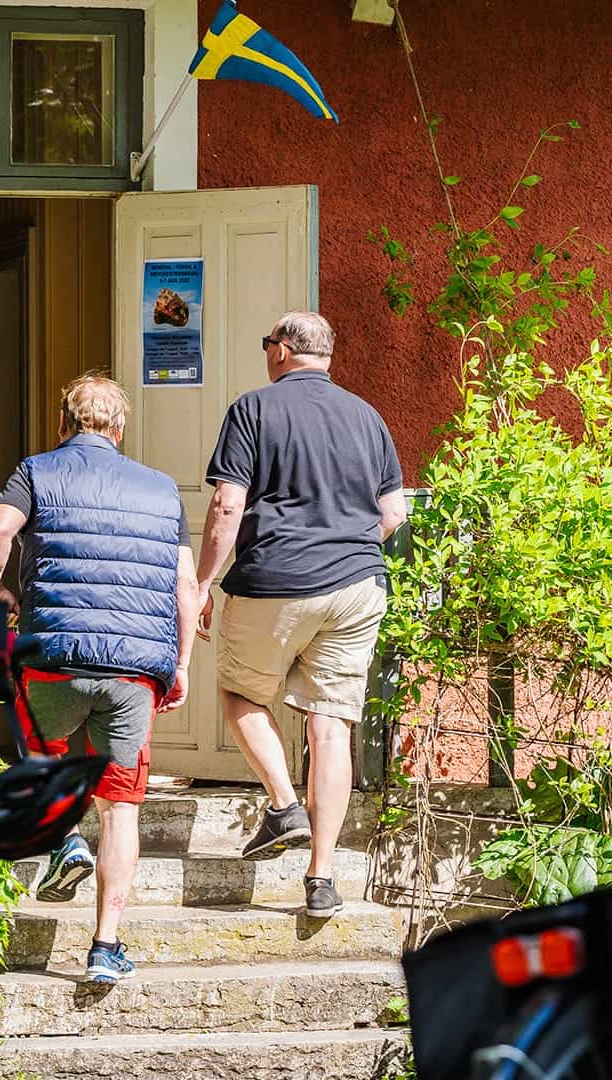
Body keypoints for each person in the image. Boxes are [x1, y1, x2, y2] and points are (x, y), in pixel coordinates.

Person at [0, 372, 200, 984]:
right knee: (121, 806)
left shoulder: (37, 471)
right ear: (120, 430)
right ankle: (105, 947)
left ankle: (62, 839)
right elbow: (185, 588)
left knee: (41, 750)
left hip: (55, 656)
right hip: (134, 669)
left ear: (62, 424)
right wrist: (178, 665)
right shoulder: (161, 489)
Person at [195, 311, 406, 919]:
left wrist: (204, 581)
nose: (266, 353)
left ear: (283, 350)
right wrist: (346, 543)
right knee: (330, 725)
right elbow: (392, 514)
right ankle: (322, 877)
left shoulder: (254, 409)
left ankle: (284, 805)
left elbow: (228, 503)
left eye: (267, 344)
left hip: (275, 580)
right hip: (358, 585)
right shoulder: (368, 417)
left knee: (240, 693)